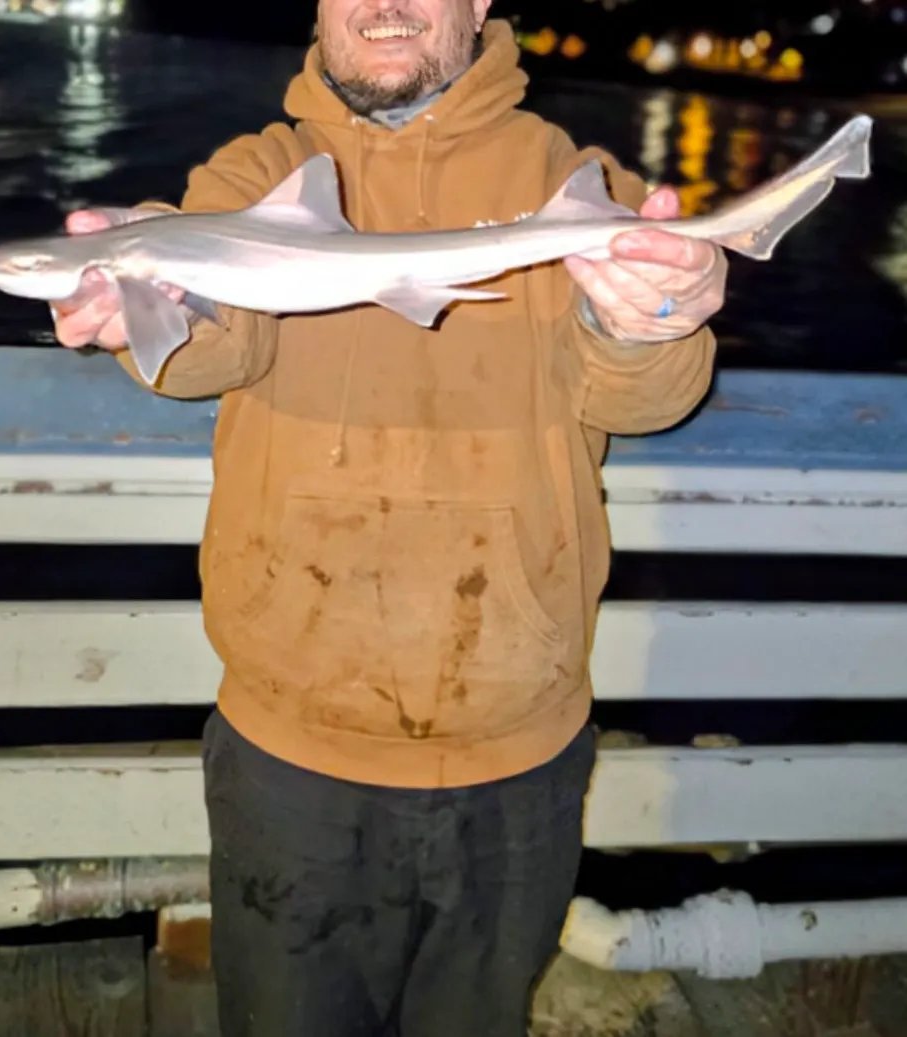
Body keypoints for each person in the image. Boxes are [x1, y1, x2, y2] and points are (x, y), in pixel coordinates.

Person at [53, 2, 726, 1034]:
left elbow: (647, 397)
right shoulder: (252, 173)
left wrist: (645, 320)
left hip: (518, 745)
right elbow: (209, 349)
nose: (384, 3)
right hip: (292, 748)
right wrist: (148, 299)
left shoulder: (572, 181)